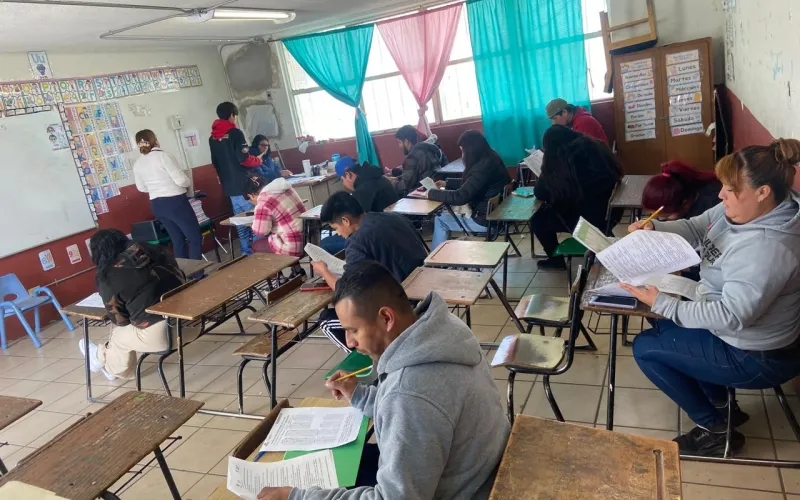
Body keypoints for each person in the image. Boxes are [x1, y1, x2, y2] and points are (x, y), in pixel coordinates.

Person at [256, 261, 510, 500]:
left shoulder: (409, 394)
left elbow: (395, 496)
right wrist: (358, 394)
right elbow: (421, 406)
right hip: (478, 473)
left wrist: (297, 496)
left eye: (354, 330)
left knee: (324, 475)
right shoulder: (442, 331)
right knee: (342, 461)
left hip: (464, 491)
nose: (349, 342)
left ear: (387, 318)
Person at [621, 139, 800, 457]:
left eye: (730, 190)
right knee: (664, 328)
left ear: (762, 192)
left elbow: (731, 316)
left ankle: (714, 428)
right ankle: (723, 404)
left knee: (646, 348)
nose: (720, 195)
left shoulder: (768, 248)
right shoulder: (749, 209)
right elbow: (696, 227)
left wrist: (663, 303)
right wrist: (655, 229)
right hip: (736, 329)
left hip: (757, 355)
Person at [313, 192, 427, 352]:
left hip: (403, 305)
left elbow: (348, 292)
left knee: (326, 320)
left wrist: (324, 271)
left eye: (336, 228)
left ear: (345, 220)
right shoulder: (394, 217)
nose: (338, 233)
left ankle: (372, 357)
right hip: (424, 290)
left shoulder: (357, 241)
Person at [79, 229, 185, 381]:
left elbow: (121, 321)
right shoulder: (156, 251)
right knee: (125, 332)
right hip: (191, 322)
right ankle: (105, 361)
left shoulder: (108, 276)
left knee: (118, 335)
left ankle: (104, 362)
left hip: (167, 336)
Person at [532, 125, 623, 270]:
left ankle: (556, 260)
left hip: (585, 221)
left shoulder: (560, 160)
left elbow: (540, 192)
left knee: (538, 220)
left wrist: (545, 173)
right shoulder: (597, 147)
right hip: (610, 213)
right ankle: (604, 240)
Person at [427, 130, 511, 250]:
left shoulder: (481, 168)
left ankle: (435, 259)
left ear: (471, 150)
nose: (462, 155)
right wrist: (448, 183)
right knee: (446, 214)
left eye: (462, 150)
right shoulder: (491, 157)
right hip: (498, 216)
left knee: (440, 220)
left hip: (486, 222)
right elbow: (472, 184)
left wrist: (431, 193)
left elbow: (461, 197)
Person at [133, 129, 203, 261]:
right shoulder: (164, 156)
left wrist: (157, 188)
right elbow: (181, 180)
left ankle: (182, 272)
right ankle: (198, 271)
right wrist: (187, 182)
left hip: (157, 205)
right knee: (194, 237)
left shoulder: (138, 163)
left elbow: (141, 187)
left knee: (177, 240)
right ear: (154, 140)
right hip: (175, 203)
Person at [209, 101, 265, 256]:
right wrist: (258, 160)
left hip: (230, 188)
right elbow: (244, 159)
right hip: (245, 187)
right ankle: (259, 253)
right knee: (255, 221)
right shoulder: (235, 133)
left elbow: (215, 162)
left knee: (241, 223)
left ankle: (247, 253)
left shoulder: (212, 138)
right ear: (232, 115)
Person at [320, 156, 400, 255]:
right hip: (392, 228)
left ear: (348, 175)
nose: (344, 184)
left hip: (379, 238)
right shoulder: (378, 178)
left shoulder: (363, 190)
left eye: (342, 180)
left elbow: (354, 222)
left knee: (325, 244)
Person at [243, 175, 306, 259]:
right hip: (308, 237)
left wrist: (254, 222)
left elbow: (261, 232)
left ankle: (281, 267)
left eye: (250, 201)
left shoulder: (263, 202)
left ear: (250, 196)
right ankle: (295, 267)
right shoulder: (286, 188)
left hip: (293, 246)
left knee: (256, 245)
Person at [642, 160, 722, 220]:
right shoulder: (687, 190)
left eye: (667, 216)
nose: (661, 219)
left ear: (685, 203)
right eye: (654, 215)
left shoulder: (712, 206)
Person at [390, 125, 447, 194]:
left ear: (406, 141)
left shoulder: (412, 157)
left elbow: (405, 185)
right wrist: (397, 178)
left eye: (400, 142)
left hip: (424, 192)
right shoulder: (432, 149)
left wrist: (389, 184)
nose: (400, 146)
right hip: (439, 187)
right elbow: (413, 174)